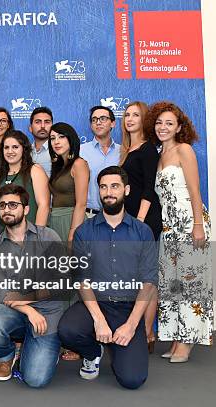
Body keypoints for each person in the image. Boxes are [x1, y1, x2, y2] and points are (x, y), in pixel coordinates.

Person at [58, 166, 158, 389]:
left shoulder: (142, 232)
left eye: (115, 186)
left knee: (132, 380)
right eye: (103, 187)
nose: (109, 192)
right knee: (67, 330)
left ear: (127, 190)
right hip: (95, 302)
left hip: (127, 308)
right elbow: (81, 279)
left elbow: (149, 282)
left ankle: (119, 342)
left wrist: (132, 325)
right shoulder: (84, 231)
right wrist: (99, 319)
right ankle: (94, 352)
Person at [0, 184, 66, 388]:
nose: (6, 210)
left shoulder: (48, 237)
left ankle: (36, 348)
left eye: (12, 204)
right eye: (2, 205)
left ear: (26, 209)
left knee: (35, 379)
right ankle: (6, 356)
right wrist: (27, 309)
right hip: (16, 311)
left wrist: (30, 298)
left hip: (48, 312)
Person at [147, 101, 213, 362]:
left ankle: (186, 343)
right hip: (169, 226)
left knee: (191, 285)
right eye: (159, 122)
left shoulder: (184, 150)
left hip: (189, 224)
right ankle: (176, 339)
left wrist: (198, 225)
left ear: (179, 127)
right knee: (173, 286)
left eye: (169, 123)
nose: (163, 127)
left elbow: (195, 191)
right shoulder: (159, 153)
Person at [119, 101, 161, 352]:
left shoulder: (147, 150)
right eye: (127, 115)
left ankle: (147, 333)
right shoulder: (127, 149)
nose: (130, 119)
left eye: (136, 115)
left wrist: (140, 224)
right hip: (130, 218)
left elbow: (148, 188)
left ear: (144, 119)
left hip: (144, 220)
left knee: (147, 277)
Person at [0, 130, 49, 239]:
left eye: (15, 147)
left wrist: (36, 238)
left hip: (27, 237)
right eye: (6, 147)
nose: (10, 151)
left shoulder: (35, 170)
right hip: (1, 237)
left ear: (24, 149)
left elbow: (43, 205)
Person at [48, 122, 89, 243]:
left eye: (61, 137)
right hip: (55, 220)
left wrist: (72, 233)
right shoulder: (59, 165)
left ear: (71, 139)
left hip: (71, 220)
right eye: (52, 138)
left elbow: (81, 204)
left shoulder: (79, 164)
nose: (56, 141)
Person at [80, 106, 121, 217]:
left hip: (117, 215)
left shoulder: (123, 152)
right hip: (88, 215)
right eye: (94, 120)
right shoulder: (80, 151)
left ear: (113, 123)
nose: (98, 122)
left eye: (103, 118)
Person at [28, 106, 53, 177]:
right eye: (38, 122)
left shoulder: (59, 151)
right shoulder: (25, 152)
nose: (42, 126)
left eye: (47, 122)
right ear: (30, 128)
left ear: (52, 127)